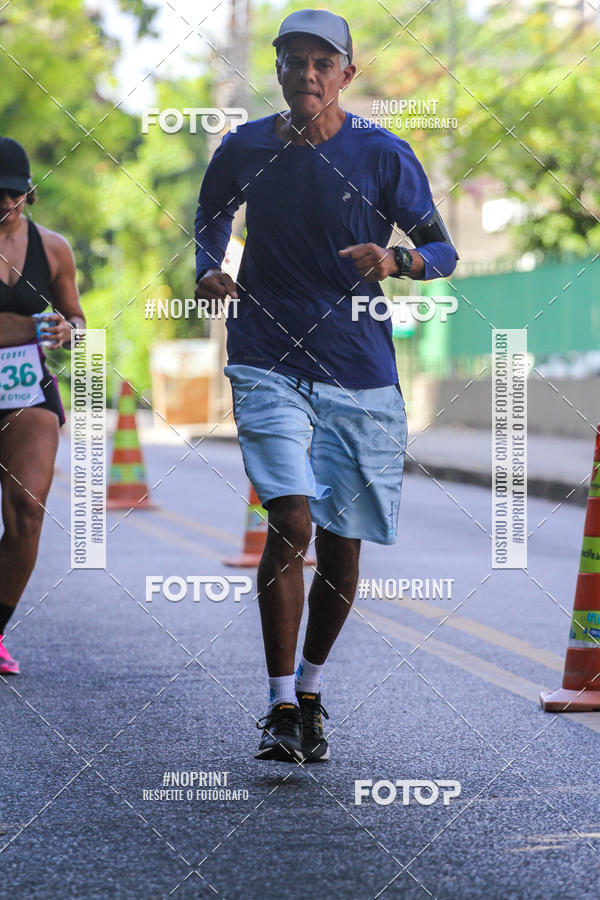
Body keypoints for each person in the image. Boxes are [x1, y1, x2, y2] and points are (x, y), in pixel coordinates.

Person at [194, 9, 458, 762]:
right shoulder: (243, 147)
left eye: (321, 61)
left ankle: (310, 692)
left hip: (360, 370)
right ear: (276, 70)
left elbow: (442, 249)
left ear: (347, 72)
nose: (305, 73)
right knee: (292, 520)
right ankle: (280, 705)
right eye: (291, 60)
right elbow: (209, 218)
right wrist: (209, 267)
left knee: (343, 545)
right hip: (266, 356)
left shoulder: (383, 154)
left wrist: (397, 260)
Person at [0, 137, 85, 675]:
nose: (0, 205)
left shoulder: (52, 248)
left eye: (9, 194)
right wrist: (22, 325)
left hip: (25, 385)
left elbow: (77, 323)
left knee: (27, 512)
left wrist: (65, 329)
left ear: (28, 194)